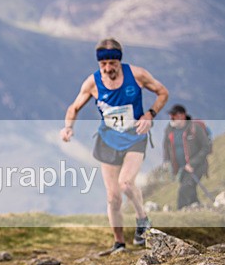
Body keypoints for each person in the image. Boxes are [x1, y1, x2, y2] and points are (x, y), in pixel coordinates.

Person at [60, 38, 169, 253]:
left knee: (126, 183)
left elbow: (163, 92)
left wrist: (150, 114)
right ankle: (119, 242)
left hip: (135, 137)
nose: (108, 68)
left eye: (112, 63)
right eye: (103, 65)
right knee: (113, 197)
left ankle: (142, 219)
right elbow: (74, 107)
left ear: (119, 61)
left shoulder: (137, 75)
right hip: (108, 140)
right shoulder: (92, 83)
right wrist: (68, 128)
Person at [162, 104, 211, 209]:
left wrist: (192, 163)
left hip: (197, 166)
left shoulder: (195, 128)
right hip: (181, 168)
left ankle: (180, 213)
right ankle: (198, 209)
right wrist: (166, 161)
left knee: (184, 190)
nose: (171, 119)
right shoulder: (169, 129)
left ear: (182, 116)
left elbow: (206, 147)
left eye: (173, 116)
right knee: (191, 190)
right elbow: (166, 146)